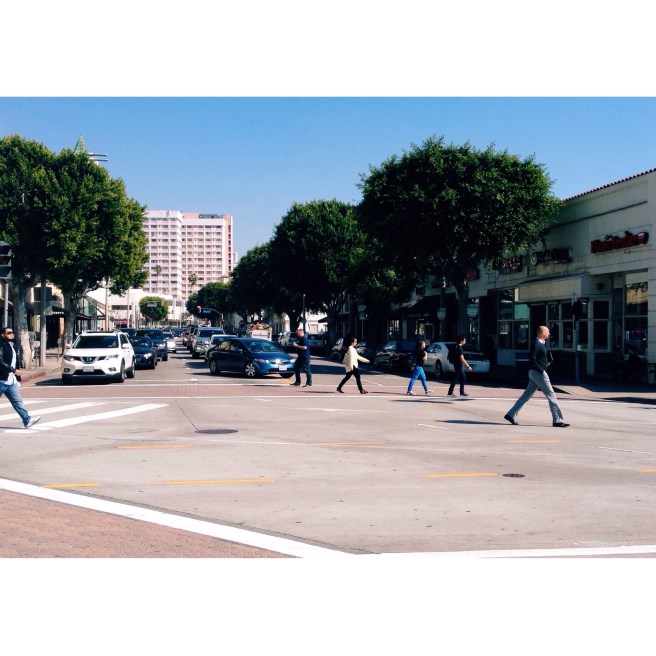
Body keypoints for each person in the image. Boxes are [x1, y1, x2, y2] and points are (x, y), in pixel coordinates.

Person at [504, 325, 569, 427]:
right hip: (538, 373)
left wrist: (548, 362)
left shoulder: (541, 344)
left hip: (535, 373)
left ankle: (510, 414)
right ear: (542, 333)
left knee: (526, 395)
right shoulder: (536, 344)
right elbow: (532, 360)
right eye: (547, 331)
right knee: (552, 395)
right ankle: (557, 420)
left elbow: (539, 361)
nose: (549, 333)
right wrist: (541, 371)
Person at [0, 326, 41, 429]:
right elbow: (0, 362)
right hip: (1, 379)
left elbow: (14, 362)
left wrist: (17, 377)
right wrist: (14, 370)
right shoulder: (1, 345)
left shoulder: (13, 345)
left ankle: (27, 420)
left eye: (12, 332)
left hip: (11, 381)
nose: (12, 334)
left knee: (17, 402)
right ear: (3, 335)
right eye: (9, 333)